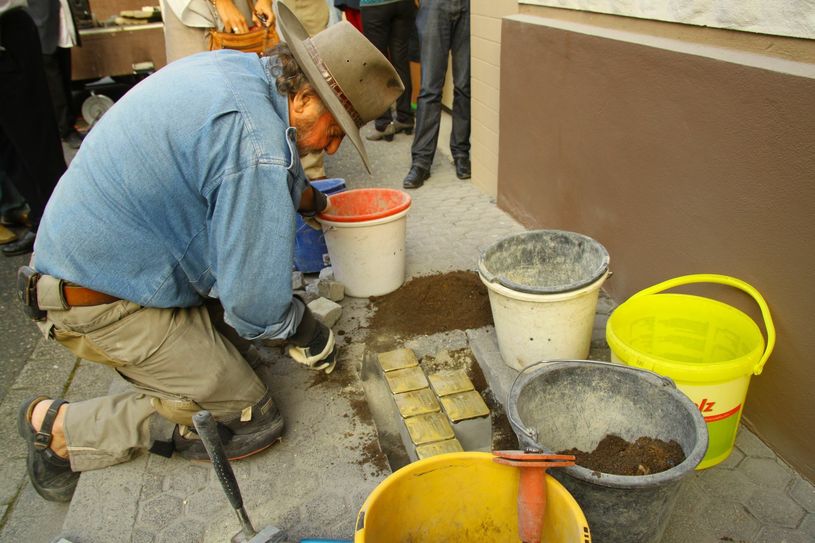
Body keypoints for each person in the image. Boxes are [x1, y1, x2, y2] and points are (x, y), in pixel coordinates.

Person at [16, 3, 403, 503]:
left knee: (251, 358)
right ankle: (61, 429)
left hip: (114, 265)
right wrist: (304, 328)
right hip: (98, 306)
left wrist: (315, 201)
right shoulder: (257, 147)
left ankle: (183, 371)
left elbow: (269, 168)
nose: (330, 145)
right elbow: (254, 307)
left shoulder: (242, 74)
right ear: (305, 97)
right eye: (335, 129)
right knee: (249, 415)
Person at [0, 1, 67, 257]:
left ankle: (67, 226)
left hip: (8, 32)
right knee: (7, 148)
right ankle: (42, 222)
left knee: (35, 141)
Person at [402, 0, 470, 189]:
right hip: (434, 6)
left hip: (469, 6)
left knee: (464, 86)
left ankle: (461, 154)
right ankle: (421, 163)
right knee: (430, 89)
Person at [29, 0, 83, 149]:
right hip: (42, 28)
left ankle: (68, 125)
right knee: (54, 85)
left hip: (60, 23)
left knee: (65, 81)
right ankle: (65, 130)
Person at [360, 0, 414, 142]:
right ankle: (405, 117)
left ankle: (384, 124)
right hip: (403, 4)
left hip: (375, 5)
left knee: (378, 64)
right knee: (400, 60)